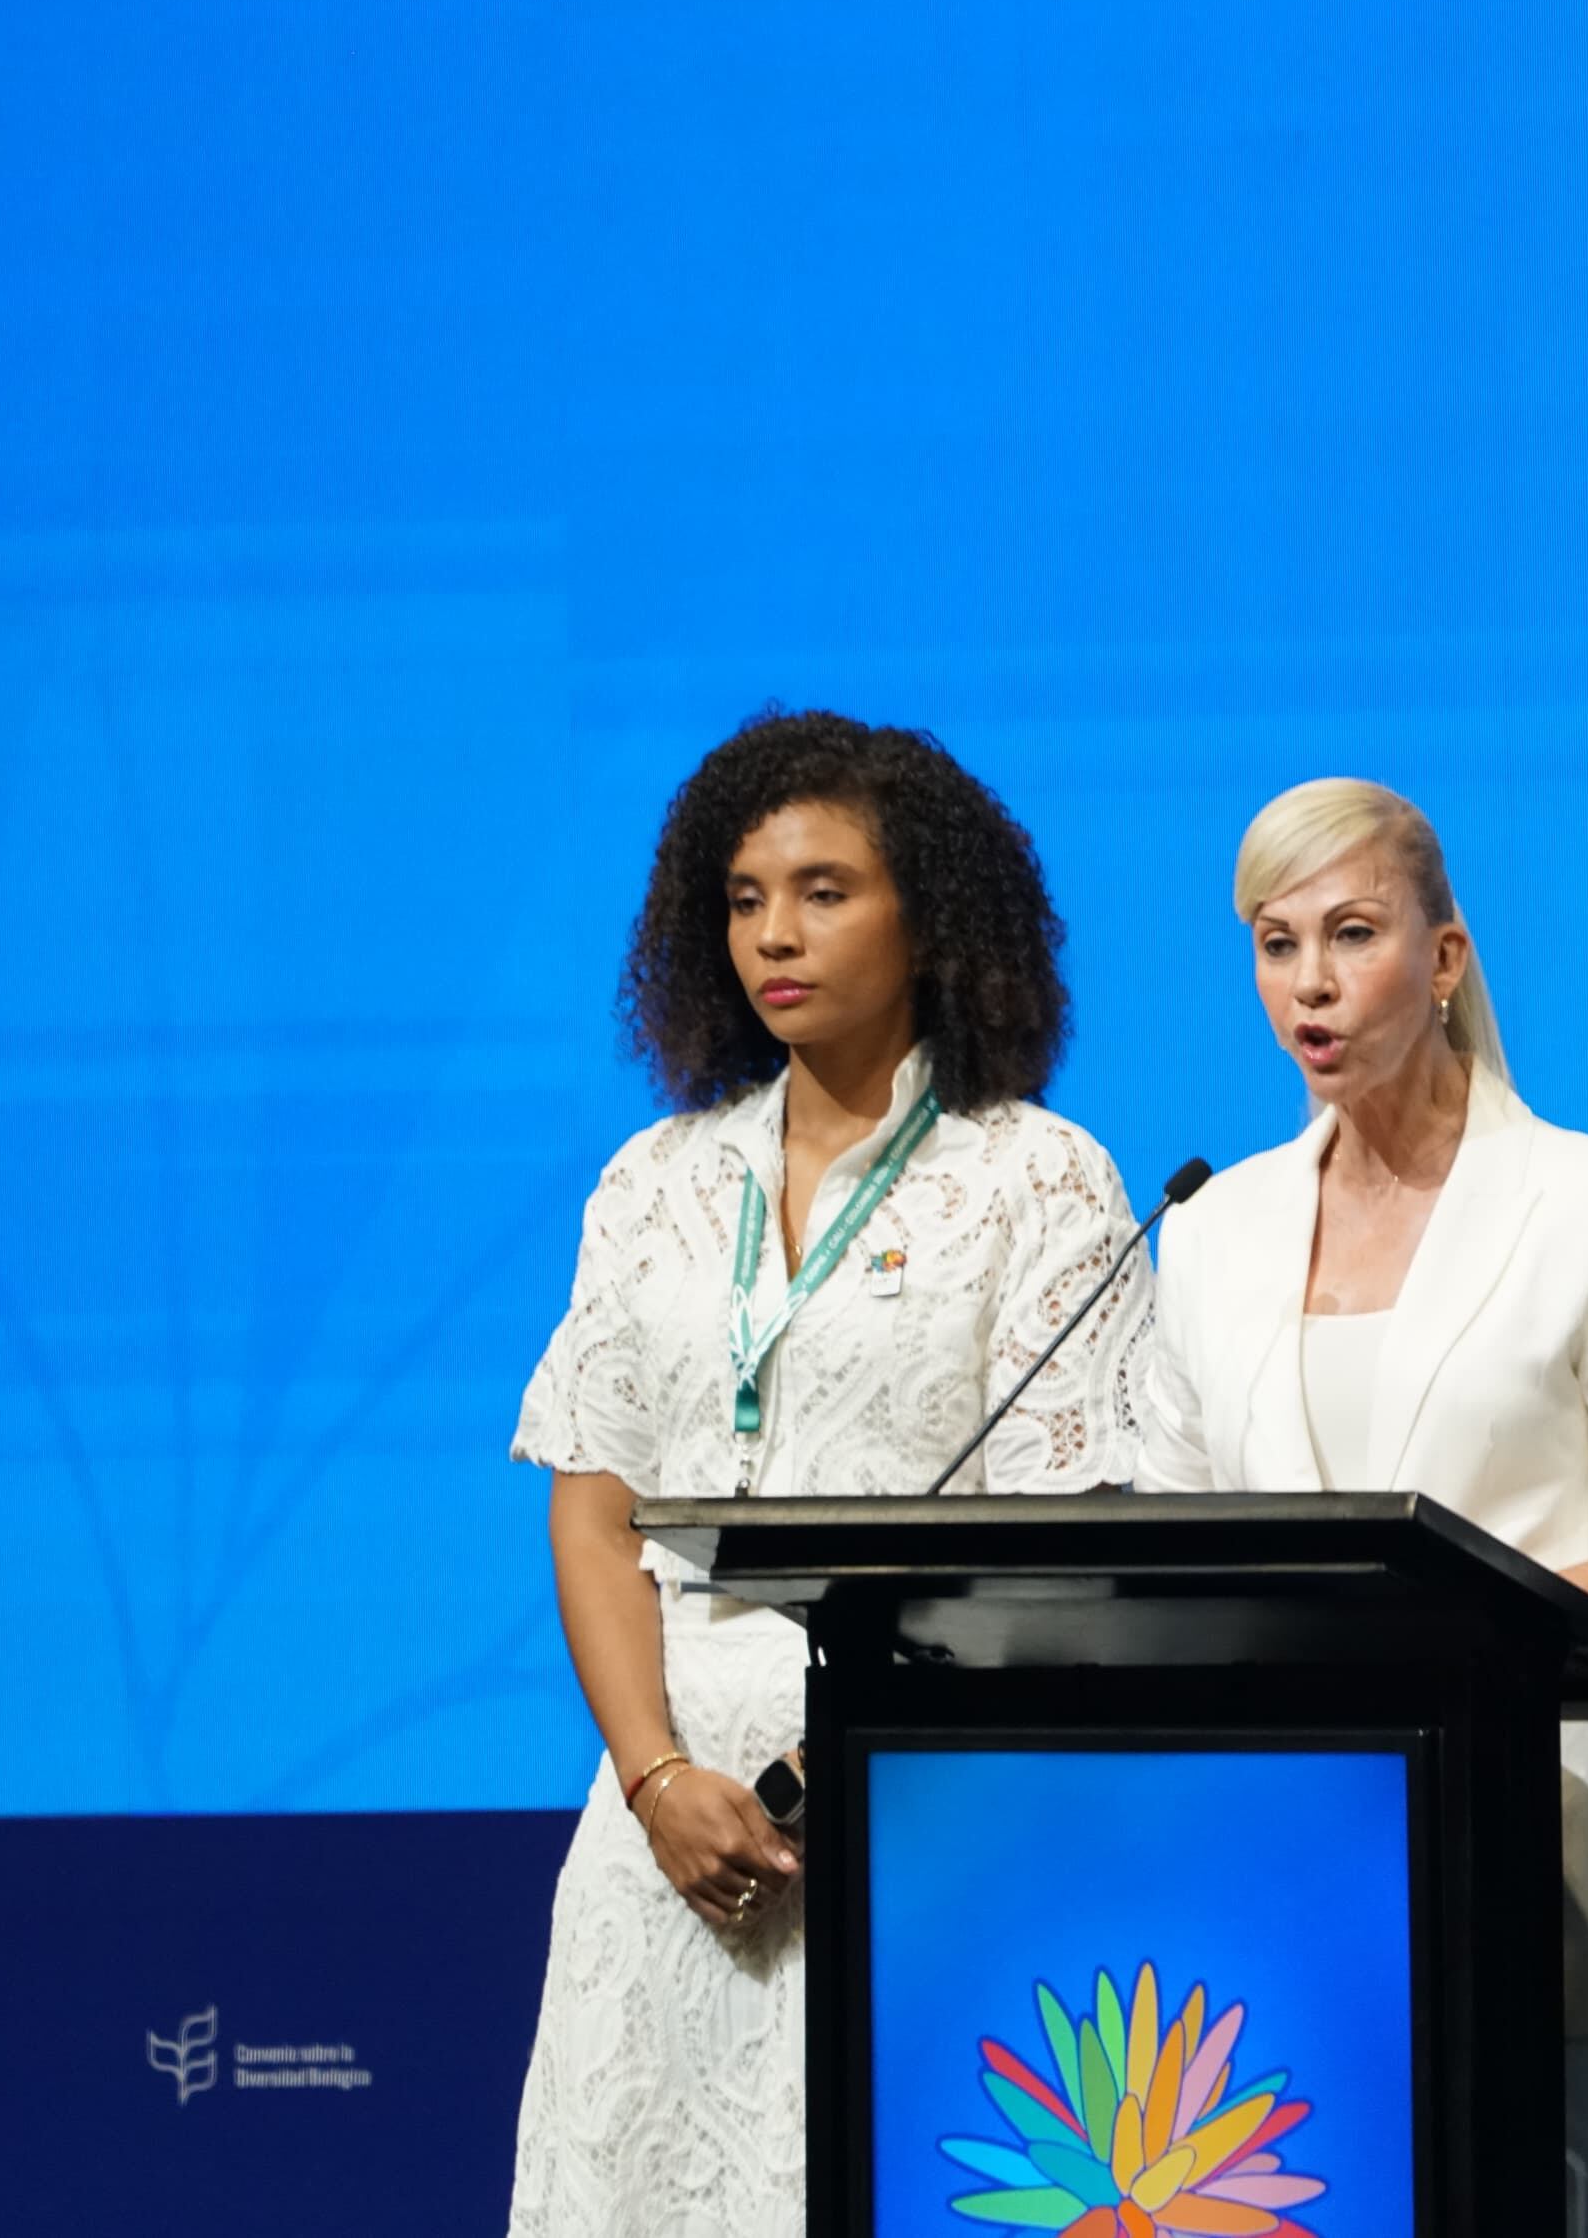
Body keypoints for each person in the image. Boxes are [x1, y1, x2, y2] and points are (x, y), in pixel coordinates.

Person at [506, 708, 1152, 2238]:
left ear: (930, 916)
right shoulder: (654, 1183)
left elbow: (1055, 1548)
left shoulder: (1036, 1177)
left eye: (823, 890)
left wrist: (844, 1767)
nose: (773, 936)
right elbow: (595, 1508)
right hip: (661, 1830)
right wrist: (659, 1779)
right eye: (741, 899)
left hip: (913, 1809)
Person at [1134, 777, 1588, 2238]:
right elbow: (1168, 1548)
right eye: (1278, 946)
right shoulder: (1211, 1233)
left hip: (1533, 1869)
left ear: (1449, 958)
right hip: (1274, 1877)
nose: (1311, 985)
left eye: (1352, 934)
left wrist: (1464, 1644)